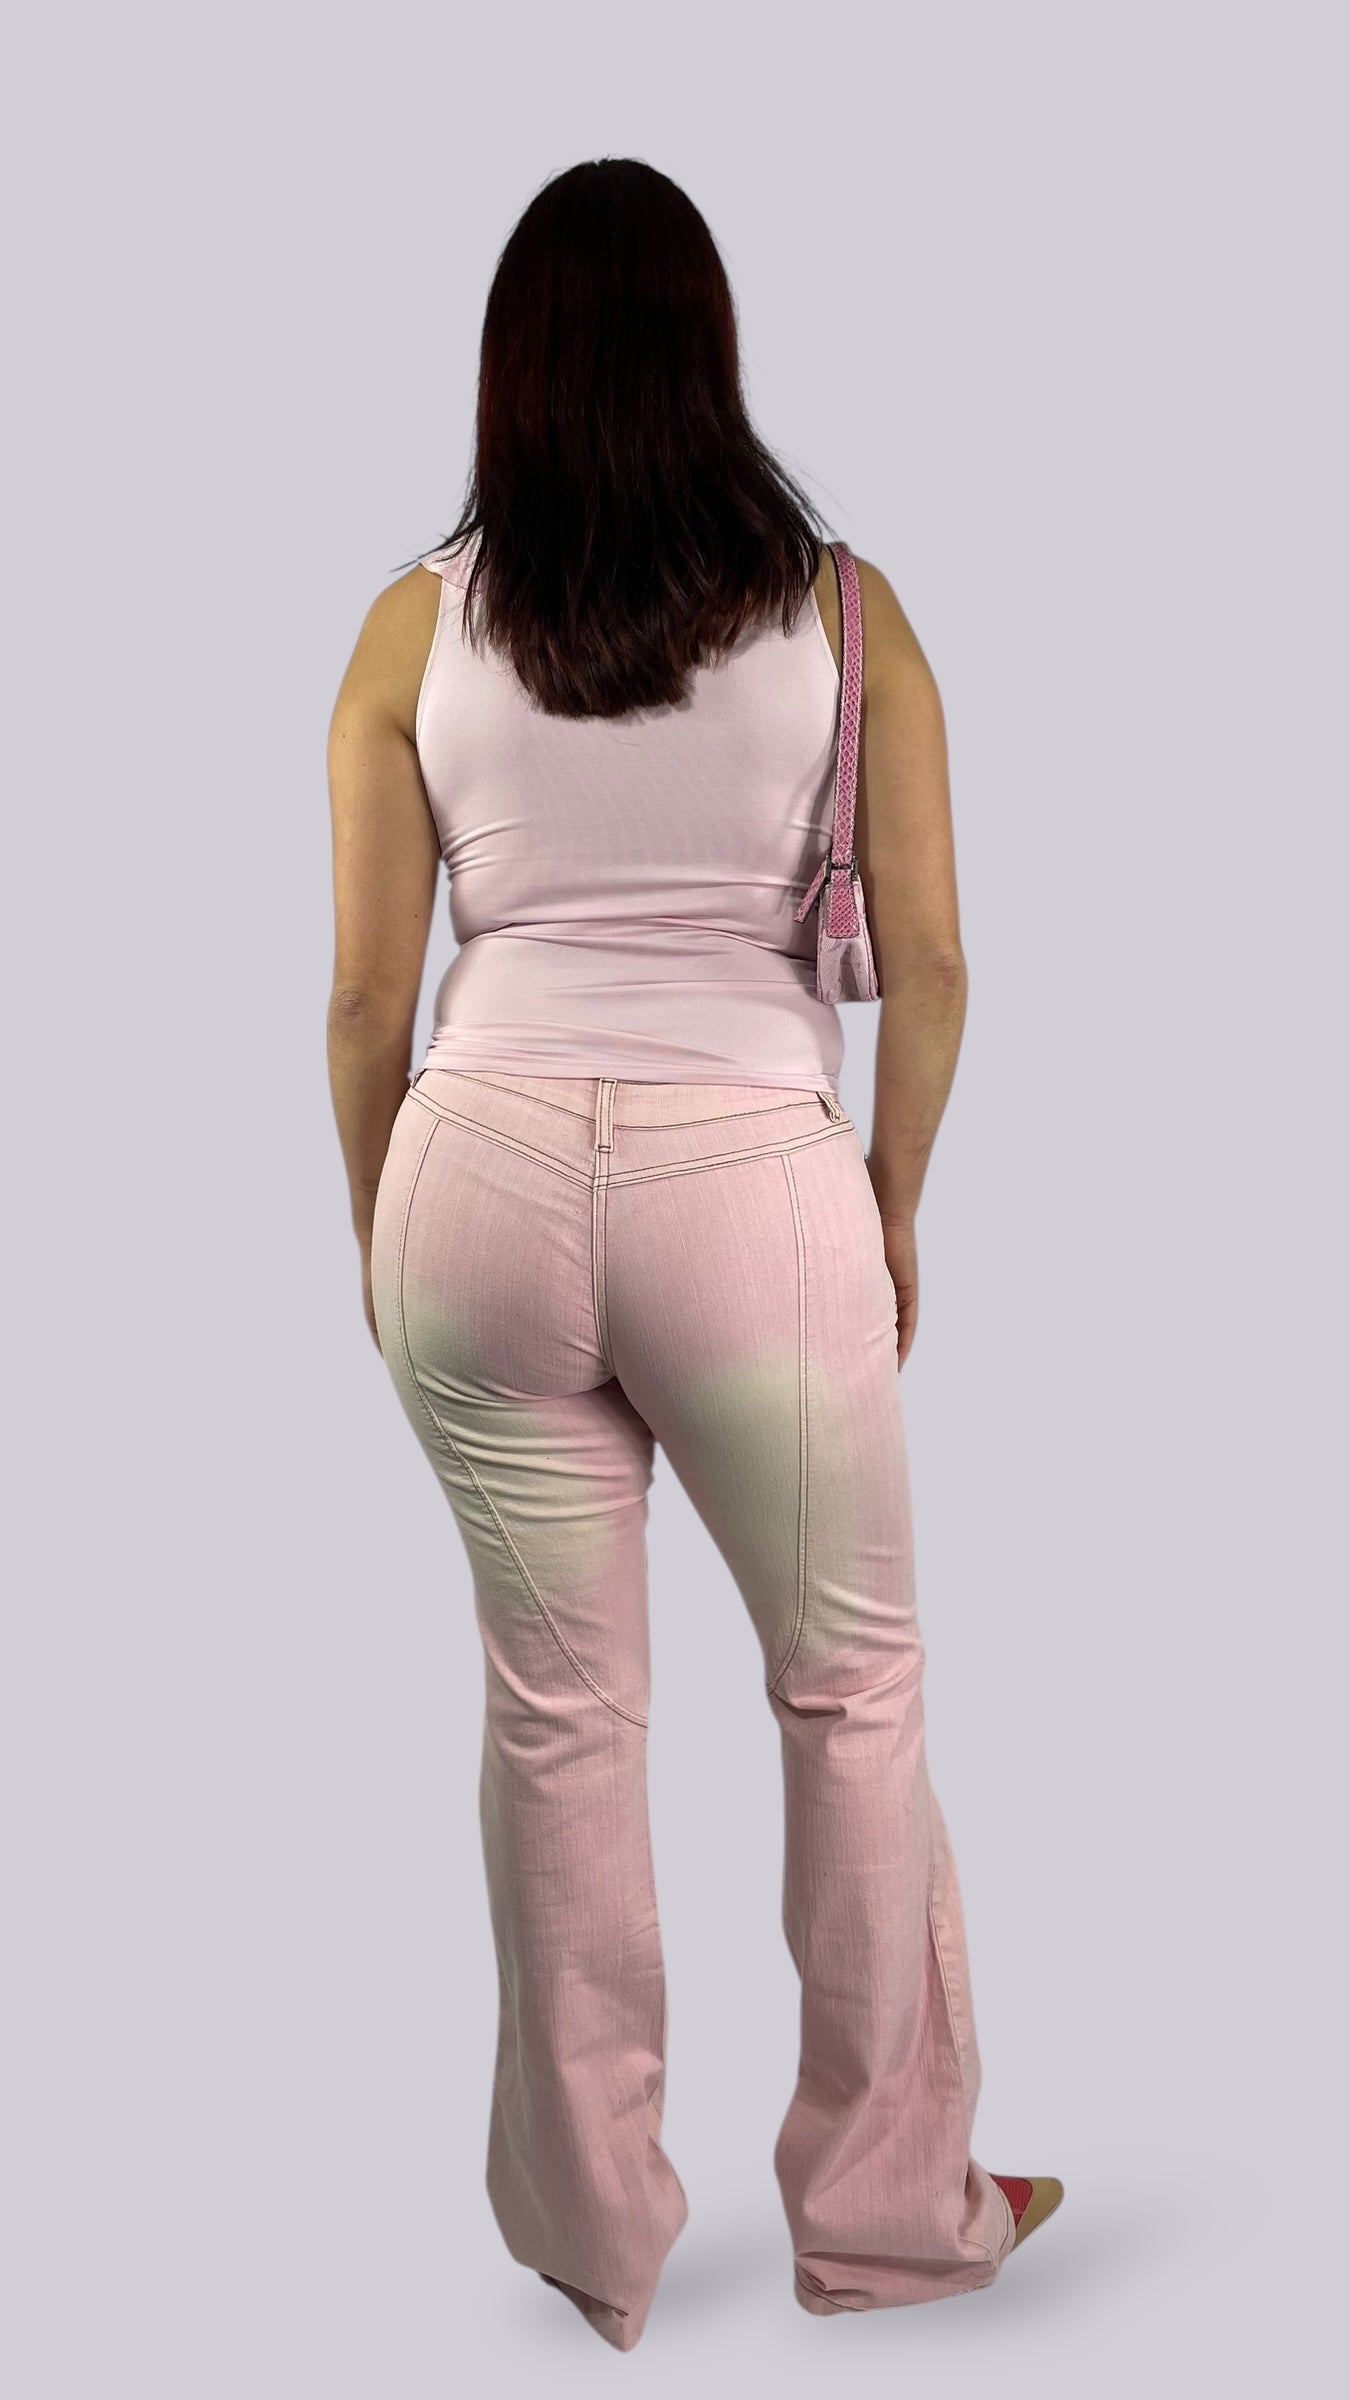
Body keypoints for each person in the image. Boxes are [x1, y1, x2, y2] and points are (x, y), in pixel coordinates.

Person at [325, 156, 1062, 2352]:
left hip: (472, 1180)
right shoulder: (849, 618)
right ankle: (888, 2212)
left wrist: (380, 1230)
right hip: (752, 1185)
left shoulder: (408, 630)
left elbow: (365, 999)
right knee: (850, 1692)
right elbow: (932, 962)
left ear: (512, 372)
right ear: (709, 356)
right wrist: (892, 1197)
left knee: (559, 1718)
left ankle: (595, 2240)